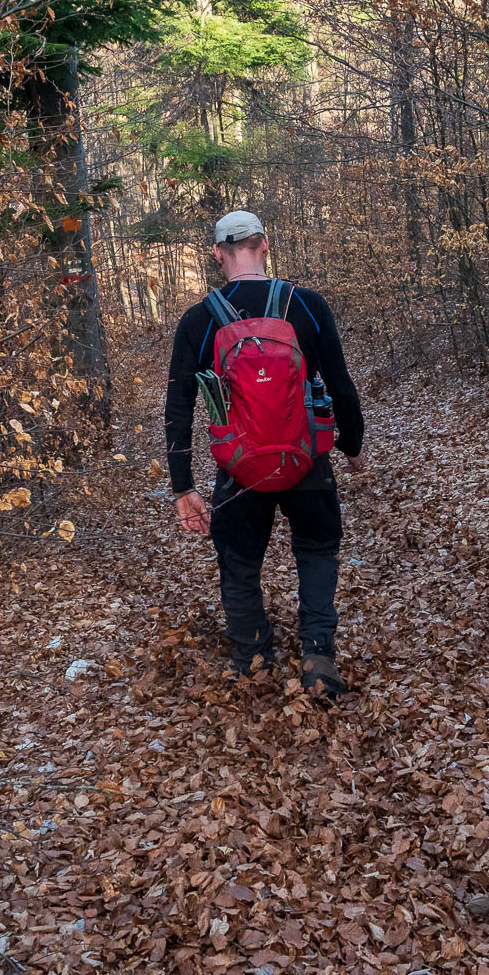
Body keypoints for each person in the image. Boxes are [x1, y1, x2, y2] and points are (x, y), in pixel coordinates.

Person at [165, 210, 365, 695]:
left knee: (239, 559)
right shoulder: (308, 305)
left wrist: (183, 486)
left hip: (239, 469)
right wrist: (351, 445)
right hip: (305, 460)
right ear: (265, 244)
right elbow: (341, 385)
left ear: (218, 255)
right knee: (316, 552)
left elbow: (178, 406)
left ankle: (252, 655)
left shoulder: (198, 320)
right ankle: (318, 656)